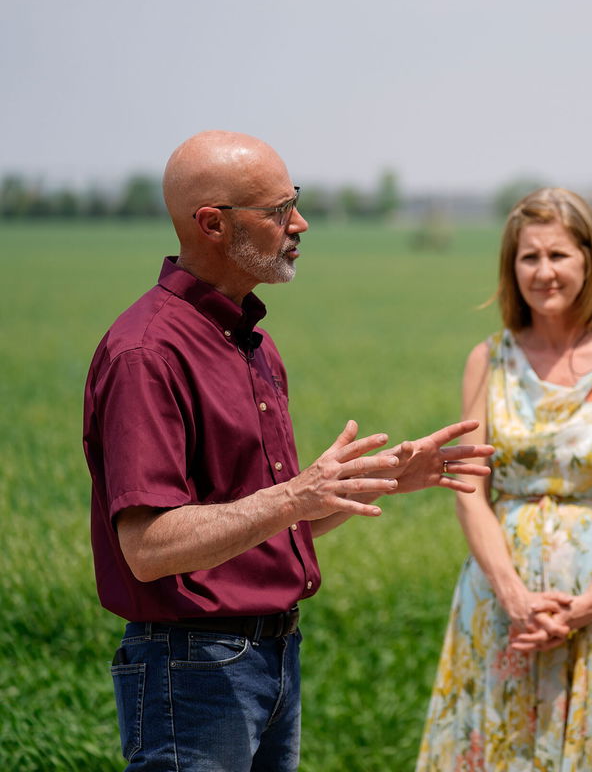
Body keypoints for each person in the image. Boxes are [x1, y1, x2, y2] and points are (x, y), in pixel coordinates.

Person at [83, 130, 493, 771]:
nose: (298, 223)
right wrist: (295, 495)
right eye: (277, 211)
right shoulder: (148, 353)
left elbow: (269, 522)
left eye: (293, 201)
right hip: (191, 671)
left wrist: (382, 479)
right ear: (212, 224)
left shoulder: (251, 341)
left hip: (273, 659)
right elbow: (147, 548)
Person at [417, 187, 592, 771]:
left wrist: (590, 601)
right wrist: (515, 597)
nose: (544, 271)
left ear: (589, 258)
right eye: (528, 257)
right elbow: (470, 491)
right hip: (501, 606)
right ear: (511, 267)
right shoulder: (489, 359)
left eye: (558, 255)